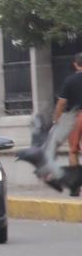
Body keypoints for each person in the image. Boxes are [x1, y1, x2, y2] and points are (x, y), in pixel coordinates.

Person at [53, 54, 82, 196]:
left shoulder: (69, 81)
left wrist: (56, 119)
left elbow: (62, 103)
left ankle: (76, 187)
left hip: (75, 117)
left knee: (73, 151)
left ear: (75, 64)